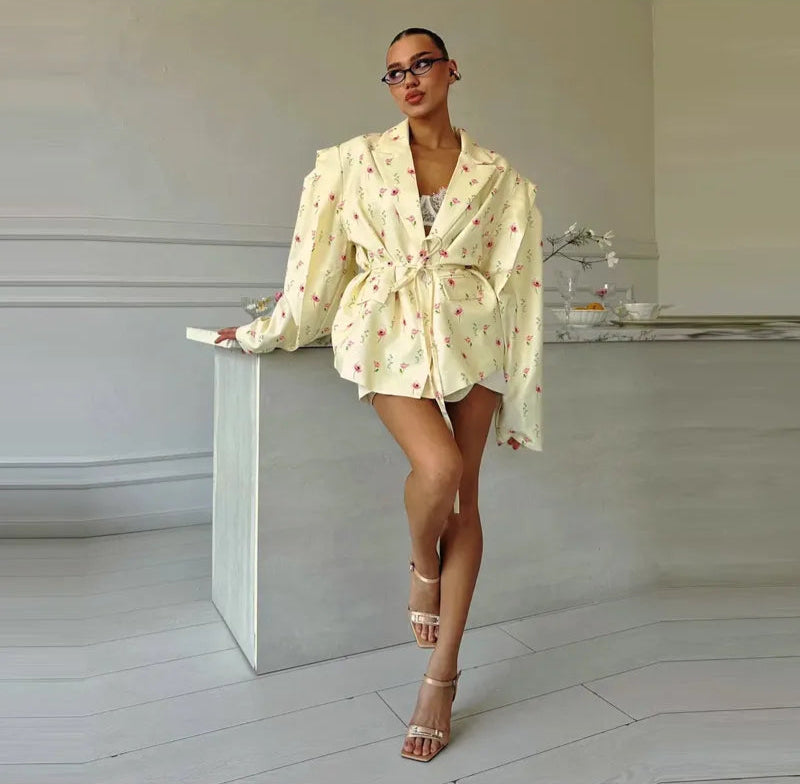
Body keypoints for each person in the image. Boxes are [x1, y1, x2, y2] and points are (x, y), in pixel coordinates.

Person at [216, 27, 543, 763]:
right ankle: (422, 564)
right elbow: (316, 265)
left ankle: (441, 678)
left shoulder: (501, 178)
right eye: (394, 71)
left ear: (452, 69)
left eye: (422, 64)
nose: (409, 79)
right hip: (387, 329)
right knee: (440, 470)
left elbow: (518, 285)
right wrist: (270, 329)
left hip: (475, 334)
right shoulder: (351, 162)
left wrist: (522, 395)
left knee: (467, 501)